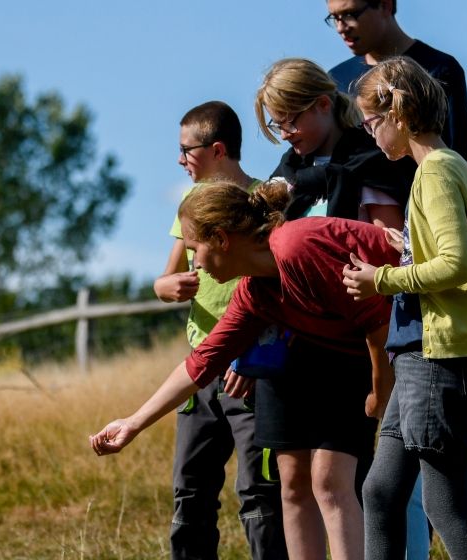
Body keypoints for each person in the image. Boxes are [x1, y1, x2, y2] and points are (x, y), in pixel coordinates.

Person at [95, 183, 398, 560]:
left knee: (330, 480)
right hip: (353, 355)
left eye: (194, 251)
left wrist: (380, 394)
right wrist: (134, 423)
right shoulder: (256, 293)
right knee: (307, 481)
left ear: (221, 238)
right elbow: (201, 362)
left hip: (410, 341)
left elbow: (378, 325)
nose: (195, 265)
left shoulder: (295, 246)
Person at [323, 3, 467, 557]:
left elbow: (457, 266)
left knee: (444, 502)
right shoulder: (439, 171)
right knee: (380, 489)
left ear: (397, 112)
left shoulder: (438, 173)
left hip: (440, 354)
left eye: (372, 123)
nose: (370, 136)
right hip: (418, 352)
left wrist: (384, 280)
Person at [151, 101, 286, 560]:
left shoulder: (264, 202)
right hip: (199, 372)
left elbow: (281, 287)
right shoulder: (189, 207)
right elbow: (164, 279)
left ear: (218, 149)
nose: (180, 160)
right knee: (190, 492)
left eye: (186, 149)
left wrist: (253, 360)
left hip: (250, 373)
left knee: (259, 494)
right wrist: (168, 286)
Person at [255, 58, 411, 228]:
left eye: (290, 122)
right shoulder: (288, 170)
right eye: (278, 126)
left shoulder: (372, 164)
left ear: (323, 104)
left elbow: (388, 246)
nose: (284, 135)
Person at [323, 0, 467, 160]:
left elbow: (456, 156)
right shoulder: (336, 80)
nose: (340, 28)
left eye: (350, 14)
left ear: (385, 5)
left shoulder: (440, 68)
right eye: (334, 17)